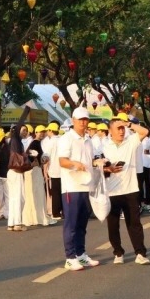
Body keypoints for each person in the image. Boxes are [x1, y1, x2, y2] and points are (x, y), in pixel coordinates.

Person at [102, 114, 150, 263]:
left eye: (123, 128)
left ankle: (140, 253)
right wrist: (108, 169)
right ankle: (118, 252)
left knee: (134, 223)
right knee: (113, 225)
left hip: (130, 189)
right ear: (110, 130)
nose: (121, 131)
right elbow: (96, 165)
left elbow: (145, 132)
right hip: (112, 190)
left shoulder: (131, 141)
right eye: (118, 128)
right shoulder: (103, 145)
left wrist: (128, 124)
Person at [58, 107, 101, 271]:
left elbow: (91, 160)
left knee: (82, 223)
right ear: (73, 120)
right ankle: (70, 257)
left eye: (85, 119)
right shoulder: (67, 138)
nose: (83, 122)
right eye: (80, 119)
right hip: (72, 186)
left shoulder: (89, 139)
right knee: (71, 223)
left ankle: (81, 254)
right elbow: (62, 161)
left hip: (87, 185)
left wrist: (98, 163)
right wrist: (74, 164)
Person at [43, 122, 63, 224]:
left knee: (55, 192)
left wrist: (45, 169)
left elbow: (46, 157)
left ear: (51, 131)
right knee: (62, 191)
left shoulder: (51, 142)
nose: (47, 132)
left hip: (54, 170)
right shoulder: (62, 140)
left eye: (48, 130)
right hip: (63, 170)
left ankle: (56, 213)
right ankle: (63, 211)